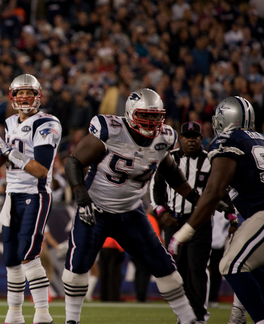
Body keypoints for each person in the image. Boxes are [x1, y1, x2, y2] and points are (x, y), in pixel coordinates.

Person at [62, 88, 217, 324]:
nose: (152, 121)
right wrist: (80, 193)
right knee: (76, 270)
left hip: (131, 212)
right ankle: (71, 320)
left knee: (167, 270)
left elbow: (171, 173)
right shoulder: (111, 130)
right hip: (96, 209)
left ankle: (188, 319)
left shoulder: (164, 137)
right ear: (130, 113)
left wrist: (197, 199)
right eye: (146, 115)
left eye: (157, 116)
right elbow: (73, 161)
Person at [169, 96, 264, 324]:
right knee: (246, 264)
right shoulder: (260, 139)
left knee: (230, 265)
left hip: (261, 213)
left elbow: (213, 190)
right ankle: (241, 314)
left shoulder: (228, 139)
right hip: (255, 214)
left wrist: (187, 231)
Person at [0, 74, 62, 324]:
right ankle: (15, 314)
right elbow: (6, 161)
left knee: (28, 255)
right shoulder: (9, 122)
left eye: (29, 93)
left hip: (35, 194)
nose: (25, 98)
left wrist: (10, 152)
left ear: (39, 96)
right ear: (12, 97)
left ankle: (43, 314)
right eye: (20, 94)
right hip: (12, 195)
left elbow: (41, 169)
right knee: (10, 258)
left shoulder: (47, 123)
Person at [150, 121, 225, 322]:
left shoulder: (210, 160)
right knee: (178, 271)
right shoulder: (168, 158)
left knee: (197, 269)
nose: (191, 141)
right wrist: (161, 212)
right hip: (173, 221)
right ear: (180, 139)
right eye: (187, 137)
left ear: (201, 139)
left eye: (195, 137)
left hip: (199, 221)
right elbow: (155, 188)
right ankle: (184, 315)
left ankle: (199, 315)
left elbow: (221, 188)